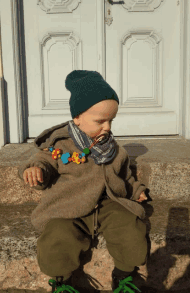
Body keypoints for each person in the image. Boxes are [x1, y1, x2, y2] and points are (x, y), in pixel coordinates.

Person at [18, 70, 148, 293]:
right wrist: (35, 170)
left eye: (111, 120)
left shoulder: (115, 150)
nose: (107, 127)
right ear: (77, 117)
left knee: (129, 224)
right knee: (57, 236)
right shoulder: (61, 146)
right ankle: (62, 281)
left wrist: (137, 190)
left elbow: (125, 177)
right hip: (68, 207)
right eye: (100, 121)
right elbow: (43, 161)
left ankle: (124, 275)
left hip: (108, 203)